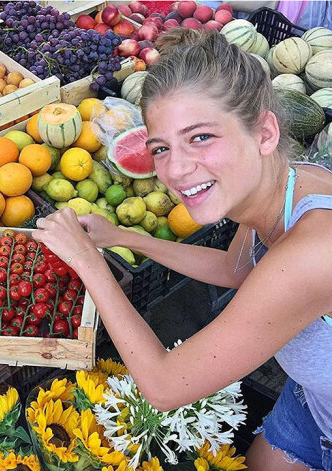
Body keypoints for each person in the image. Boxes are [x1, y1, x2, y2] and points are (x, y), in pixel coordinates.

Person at [32, 29, 332, 471]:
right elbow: (235, 268)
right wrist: (122, 238)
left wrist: (86, 261)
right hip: (314, 400)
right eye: (161, 148)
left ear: (265, 132)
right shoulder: (285, 182)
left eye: (202, 137)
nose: (175, 169)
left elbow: (165, 385)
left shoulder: (313, 251)